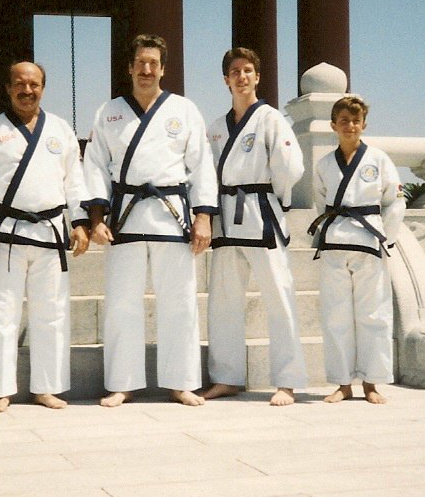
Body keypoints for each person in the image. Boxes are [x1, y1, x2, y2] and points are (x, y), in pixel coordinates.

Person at [82, 34, 217, 407]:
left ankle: (181, 382)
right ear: (129, 67)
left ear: (163, 69)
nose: (146, 70)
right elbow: (94, 167)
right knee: (121, 303)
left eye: (153, 63)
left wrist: (203, 217)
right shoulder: (109, 112)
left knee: (179, 302)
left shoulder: (184, 110)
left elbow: (201, 166)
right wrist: (96, 218)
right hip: (124, 218)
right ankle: (122, 383)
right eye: (140, 63)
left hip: (171, 216)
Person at [0, 62, 89, 413]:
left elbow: (74, 181)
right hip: (6, 233)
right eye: (19, 84)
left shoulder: (60, 130)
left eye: (34, 84)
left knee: (52, 314)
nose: (27, 90)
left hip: (50, 232)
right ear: (8, 88)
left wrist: (80, 222)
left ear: (43, 88)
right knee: (0, 313)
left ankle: (47, 388)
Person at [202, 48, 308, 406]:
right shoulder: (216, 128)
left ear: (257, 77)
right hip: (226, 217)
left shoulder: (271, 118)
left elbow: (290, 168)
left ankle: (288, 381)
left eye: (248, 70)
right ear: (226, 80)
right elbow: (206, 173)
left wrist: (273, 199)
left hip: (260, 213)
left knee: (279, 297)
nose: (242, 77)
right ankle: (226, 377)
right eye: (235, 71)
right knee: (223, 302)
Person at [309, 94, 405, 404]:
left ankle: (371, 383)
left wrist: (386, 237)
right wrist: (327, 230)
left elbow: (395, 202)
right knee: (335, 315)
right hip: (335, 243)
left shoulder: (379, 159)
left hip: (368, 241)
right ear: (333, 125)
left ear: (364, 124)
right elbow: (320, 202)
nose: (350, 126)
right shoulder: (325, 164)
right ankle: (342, 383)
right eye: (344, 121)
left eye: (355, 120)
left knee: (373, 314)